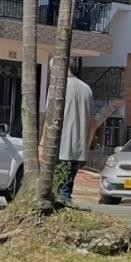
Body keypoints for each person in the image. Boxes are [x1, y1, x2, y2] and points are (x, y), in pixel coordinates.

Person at [41, 66, 96, 203]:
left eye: (51, 69)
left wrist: (42, 143)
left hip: (60, 149)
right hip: (79, 151)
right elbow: (93, 123)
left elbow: (49, 118)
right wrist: (86, 147)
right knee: (66, 188)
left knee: (59, 191)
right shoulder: (86, 89)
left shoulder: (57, 88)